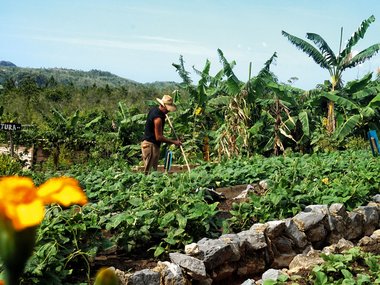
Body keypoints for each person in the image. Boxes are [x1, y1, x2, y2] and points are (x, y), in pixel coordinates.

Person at [141, 95, 181, 173]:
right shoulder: (158, 118)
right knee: (150, 173)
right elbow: (158, 137)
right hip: (150, 145)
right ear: (163, 106)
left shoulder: (155, 110)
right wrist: (174, 142)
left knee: (152, 172)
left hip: (150, 145)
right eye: (167, 109)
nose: (168, 111)